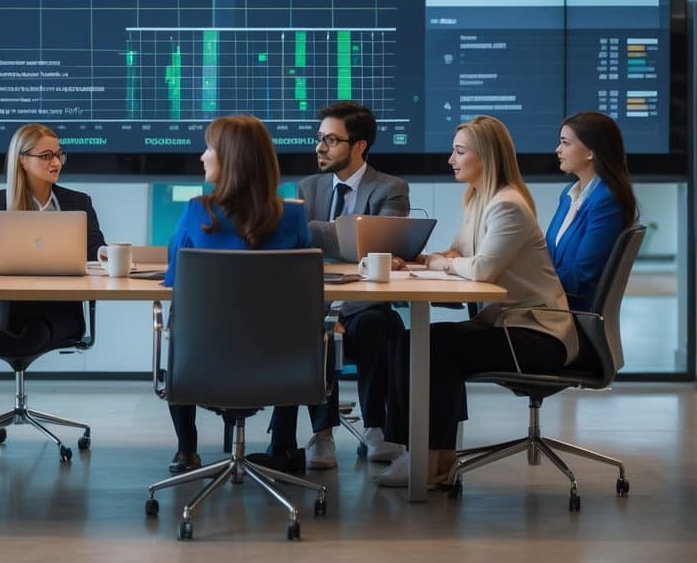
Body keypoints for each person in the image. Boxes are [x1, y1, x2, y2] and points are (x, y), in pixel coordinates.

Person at [377, 115, 580, 488]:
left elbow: (483, 268)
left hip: (537, 336)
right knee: (413, 341)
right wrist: (424, 258)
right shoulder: (479, 199)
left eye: (459, 152)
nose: (450, 160)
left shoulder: (508, 205)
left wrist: (444, 263)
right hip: (508, 324)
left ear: (485, 157)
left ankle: (426, 458)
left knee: (435, 347)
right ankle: (432, 456)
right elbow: (459, 252)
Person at [162, 114, 312, 474]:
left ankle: (187, 449)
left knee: (176, 318)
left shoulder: (198, 211)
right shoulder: (293, 219)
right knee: (296, 324)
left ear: (230, 159)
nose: (202, 156)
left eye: (209, 148)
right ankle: (283, 446)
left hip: (202, 360)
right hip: (281, 365)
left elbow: (173, 278)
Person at [266, 102, 409, 471]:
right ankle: (322, 432)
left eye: (331, 140)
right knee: (316, 329)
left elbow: (381, 244)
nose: (320, 147)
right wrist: (355, 234)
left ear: (359, 146)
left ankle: (376, 428)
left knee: (382, 324)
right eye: (319, 139)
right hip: (313, 306)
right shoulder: (308, 186)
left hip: (363, 307)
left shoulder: (390, 188)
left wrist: (310, 228)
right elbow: (311, 247)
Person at [0, 123, 105, 355]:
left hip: (60, 311)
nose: (57, 163)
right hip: (11, 309)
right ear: (22, 161)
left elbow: (96, 250)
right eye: (46, 156)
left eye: (59, 155)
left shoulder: (79, 203)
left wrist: (107, 255)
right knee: (24, 330)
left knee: (32, 332)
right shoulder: (0, 201)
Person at [547, 111, 638, 312]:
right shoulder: (568, 195)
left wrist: (527, 282)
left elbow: (580, 276)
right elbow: (550, 258)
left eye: (565, 143)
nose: (558, 149)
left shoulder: (606, 200)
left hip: (569, 315)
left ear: (590, 152)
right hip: (552, 306)